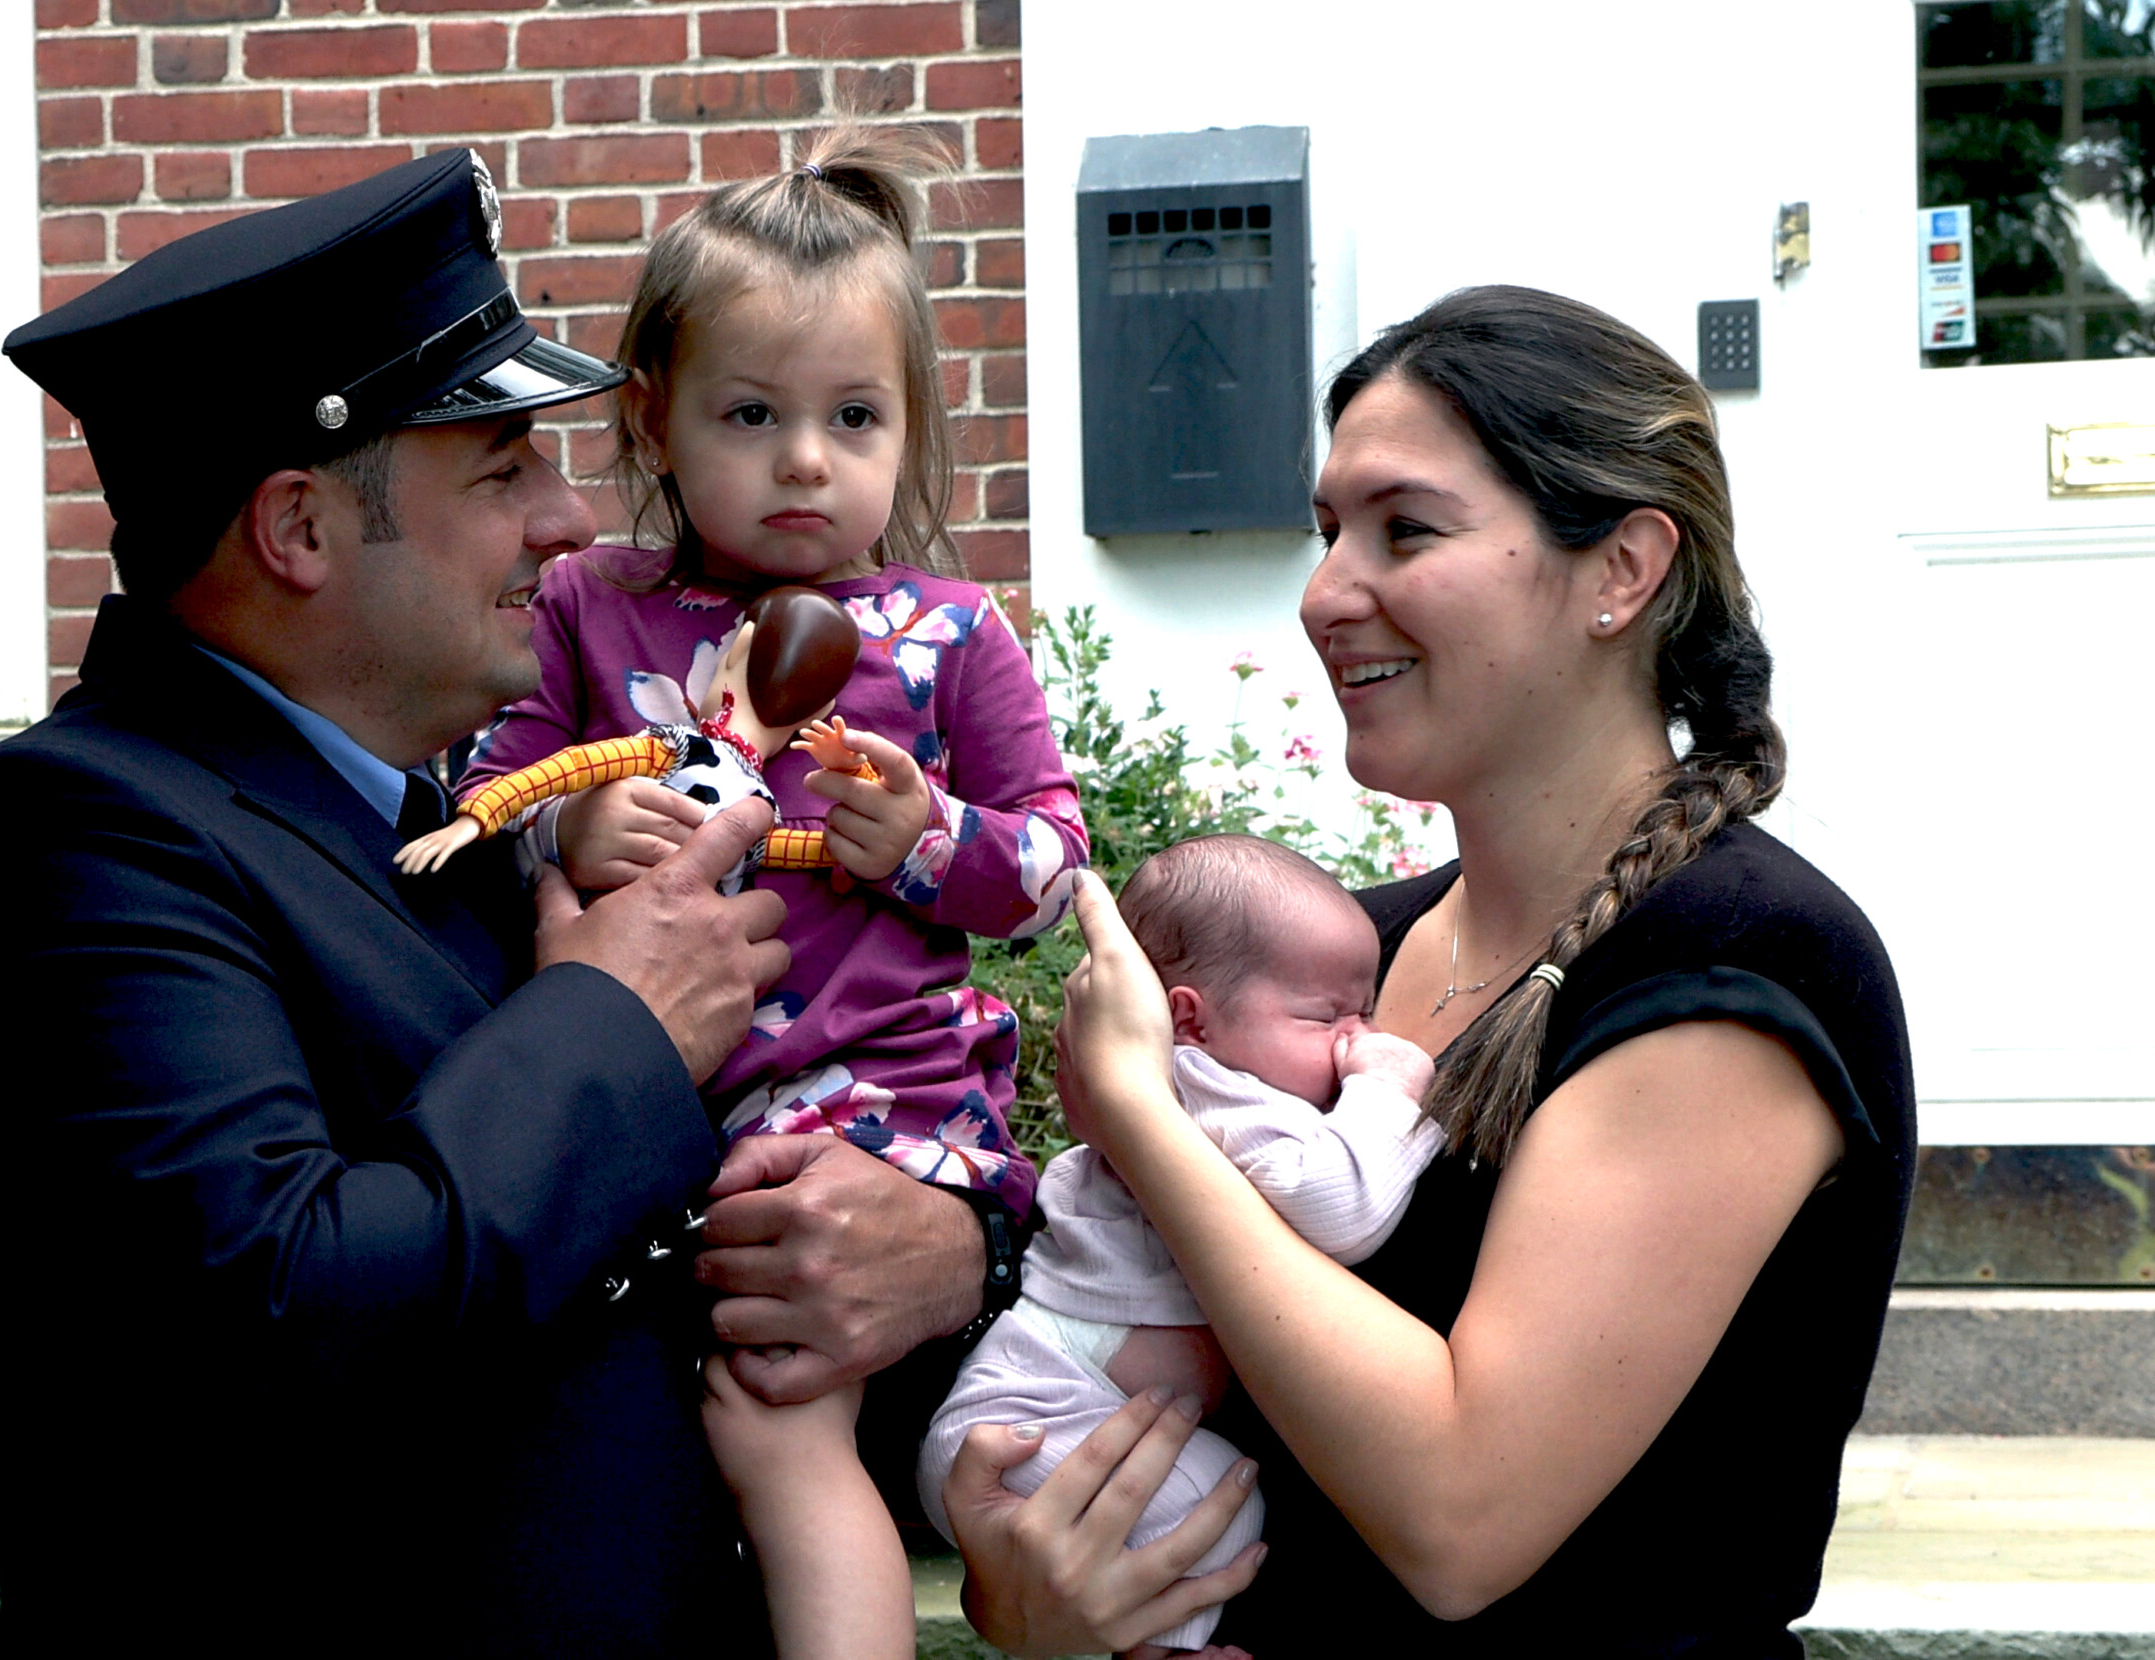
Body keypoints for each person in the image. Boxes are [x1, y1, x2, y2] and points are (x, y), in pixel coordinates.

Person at [0, 150, 998, 1654]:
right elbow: (282, 1319)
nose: (568, 521)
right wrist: (616, 1021)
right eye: (503, 468)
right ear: (301, 531)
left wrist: (949, 1255)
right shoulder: (61, 847)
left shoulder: (446, 831)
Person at [940, 286, 1916, 1658]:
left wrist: (1148, 1118)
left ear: (1623, 570)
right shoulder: (1346, 958)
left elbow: (1460, 1518)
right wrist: (1045, 1597)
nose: (1329, 592)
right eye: (1330, 529)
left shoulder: (1739, 962)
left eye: (1407, 528)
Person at [457, 125, 1086, 1660]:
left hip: (876, 1102)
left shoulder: (948, 637)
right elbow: (483, 785)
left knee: (772, 1412)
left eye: (854, 416)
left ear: (911, 427)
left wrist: (930, 839)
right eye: (754, 413)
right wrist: (573, 822)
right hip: (647, 1112)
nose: (807, 460)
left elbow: (1055, 866)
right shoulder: (588, 604)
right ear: (658, 421)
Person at [917, 834, 1442, 1656]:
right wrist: (1388, 1089)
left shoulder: (1204, 1082)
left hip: (1040, 1418)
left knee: (1205, 1505)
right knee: (1218, 1506)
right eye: (1325, 1016)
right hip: (1038, 1414)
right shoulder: (1210, 1088)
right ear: (1190, 1017)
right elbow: (1343, 1210)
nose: (1352, 1038)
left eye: (1364, 1013)